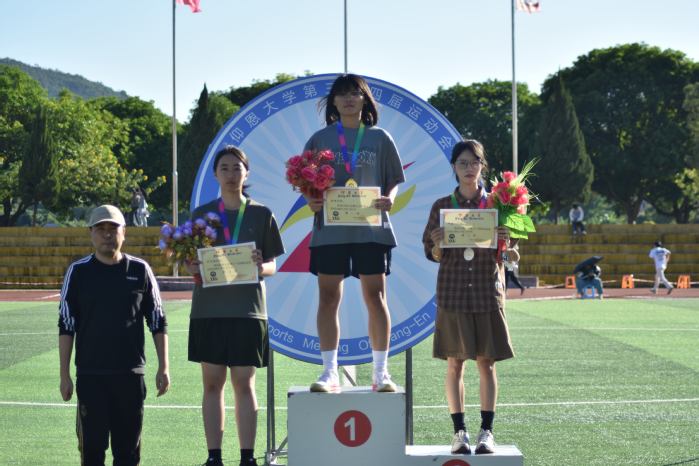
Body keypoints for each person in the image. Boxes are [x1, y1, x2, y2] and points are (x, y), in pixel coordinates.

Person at [302, 74, 405, 393]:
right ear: (333, 101)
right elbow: (304, 179)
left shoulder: (380, 138)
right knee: (328, 298)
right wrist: (311, 199)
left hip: (371, 229)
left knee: (376, 298)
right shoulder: (320, 139)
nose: (349, 99)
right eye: (343, 94)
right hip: (330, 231)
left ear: (365, 100)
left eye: (355, 94)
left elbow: (393, 180)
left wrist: (391, 199)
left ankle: (381, 372)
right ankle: (329, 372)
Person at [184, 145, 285, 466]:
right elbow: (189, 262)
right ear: (215, 174)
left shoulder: (261, 214)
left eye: (236, 168)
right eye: (224, 168)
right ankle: (214, 457)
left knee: (244, 384)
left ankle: (247, 458)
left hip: (248, 312)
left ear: (246, 173)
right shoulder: (201, 215)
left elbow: (272, 266)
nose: (230, 174)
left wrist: (258, 265)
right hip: (209, 312)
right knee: (212, 385)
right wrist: (193, 266)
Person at [422, 139, 515, 455]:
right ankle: (459, 432)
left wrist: (506, 242)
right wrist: (437, 244)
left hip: (487, 291)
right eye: (462, 163)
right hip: (453, 292)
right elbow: (432, 254)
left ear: (482, 166)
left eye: (474, 162)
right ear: (453, 167)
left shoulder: (499, 206)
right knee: (455, 363)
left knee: (487, 364)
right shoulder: (441, 206)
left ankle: (487, 432)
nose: (468, 168)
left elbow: (510, 255)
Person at [58, 204, 170, 466]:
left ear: (124, 232)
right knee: (92, 452)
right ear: (91, 233)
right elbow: (66, 324)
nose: (107, 234)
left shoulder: (140, 270)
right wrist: (64, 375)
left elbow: (157, 320)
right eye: (101, 229)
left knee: (128, 454)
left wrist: (164, 367)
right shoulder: (78, 272)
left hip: (130, 376)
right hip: (91, 375)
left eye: (113, 228)